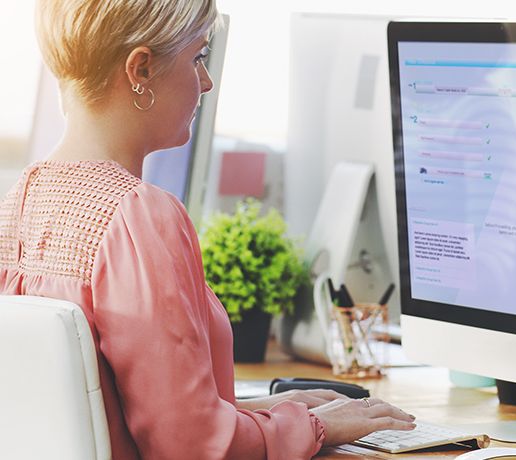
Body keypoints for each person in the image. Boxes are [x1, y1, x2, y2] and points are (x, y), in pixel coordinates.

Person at [0, 1, 415, 458]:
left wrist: (269, 411)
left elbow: (111, 415)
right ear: (140, 69)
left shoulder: (20, 200)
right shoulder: (138, 216)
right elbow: (192, 447)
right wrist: (314, 426)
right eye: (198, 57)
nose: (206, 81)